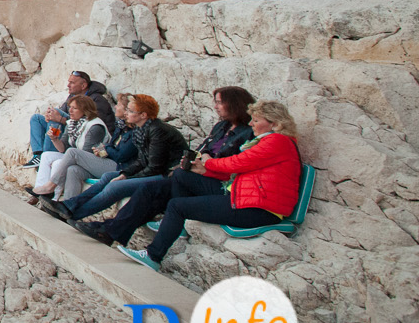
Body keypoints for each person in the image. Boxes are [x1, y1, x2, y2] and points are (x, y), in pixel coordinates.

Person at [118, 100, 302, 271]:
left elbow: (237, 163)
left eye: (256, 120)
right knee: (183, 174)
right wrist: (203, 171)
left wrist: (207, 164)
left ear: (274, 123)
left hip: (259, 209)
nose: (251, 124)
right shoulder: (269, 142)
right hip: (244, 198)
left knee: (176, 206)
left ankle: (153, 256)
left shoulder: (277, 141)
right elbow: (235, 171)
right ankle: (177, 226)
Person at [67, 89, 248, 244]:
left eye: (219, 103)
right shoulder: (221, 127)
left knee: (131, 187)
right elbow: (200, 151)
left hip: (204, 180)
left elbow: (153, 165)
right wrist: (126, 172)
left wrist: (207, 163)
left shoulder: (247, 133)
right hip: (186, 175)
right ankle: (101, 226)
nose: (215, 106)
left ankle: (92, 221)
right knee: (145, 191)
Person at [23, 70, 115, 168]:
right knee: (36, 118)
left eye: (72, 83)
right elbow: (63, 114)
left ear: (83, 86)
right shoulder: (72, 96)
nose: (68, 85)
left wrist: (59, 119)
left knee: (55, 120)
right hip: (71, 129)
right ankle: (38, 154)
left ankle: (47, 153)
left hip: (87, 139)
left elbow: (90, 123)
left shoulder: (97, 99)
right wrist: (50, 116)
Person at [30, 95, 110, 200]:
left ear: (85, 110)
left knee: (58, 163)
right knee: (46, 155)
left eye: (75, 108)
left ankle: (54, 197)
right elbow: (63, 148)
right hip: (77, 156)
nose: (70, 111)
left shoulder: (95, 126)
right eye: (70, 107)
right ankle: (39, 191)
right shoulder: (72, 123)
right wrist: (54, 139)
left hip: (94, 161)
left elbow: (86, 154)